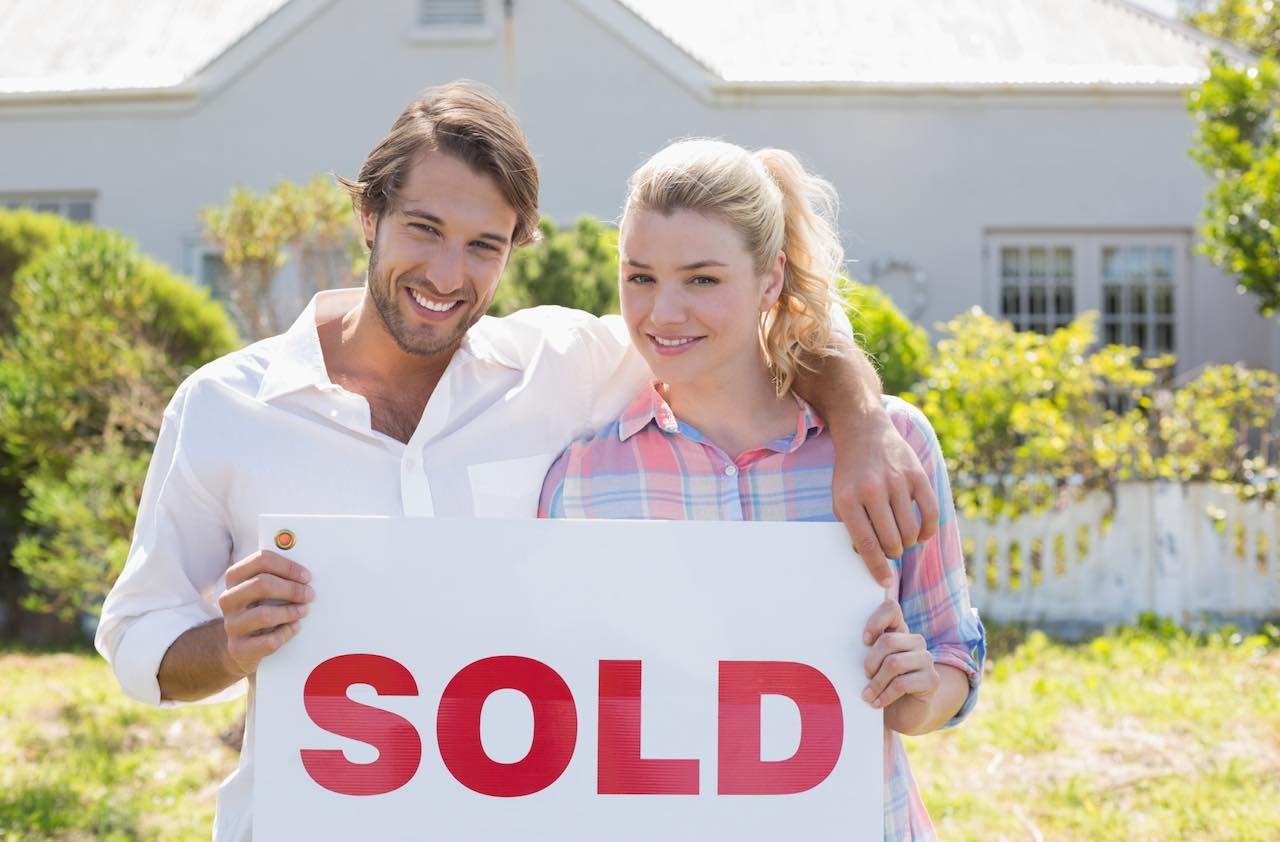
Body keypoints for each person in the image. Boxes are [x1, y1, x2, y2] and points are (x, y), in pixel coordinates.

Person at [95, 82, 939, 841]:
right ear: (368, 216)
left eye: (484, 245)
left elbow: (738, 340)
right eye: (423, 229)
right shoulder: (225, 407)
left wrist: (862, 417)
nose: (445, 272)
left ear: (513, 250)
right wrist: (231, 647)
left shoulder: (561, 366)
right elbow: (138, 634)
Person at [538, 138, 985, 840]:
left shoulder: (890, 447)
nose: (663, 312)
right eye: (641, 277)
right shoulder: (582, 480)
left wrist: (918, 694)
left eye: (703, 280)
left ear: (770, 280)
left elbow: (955, 652)